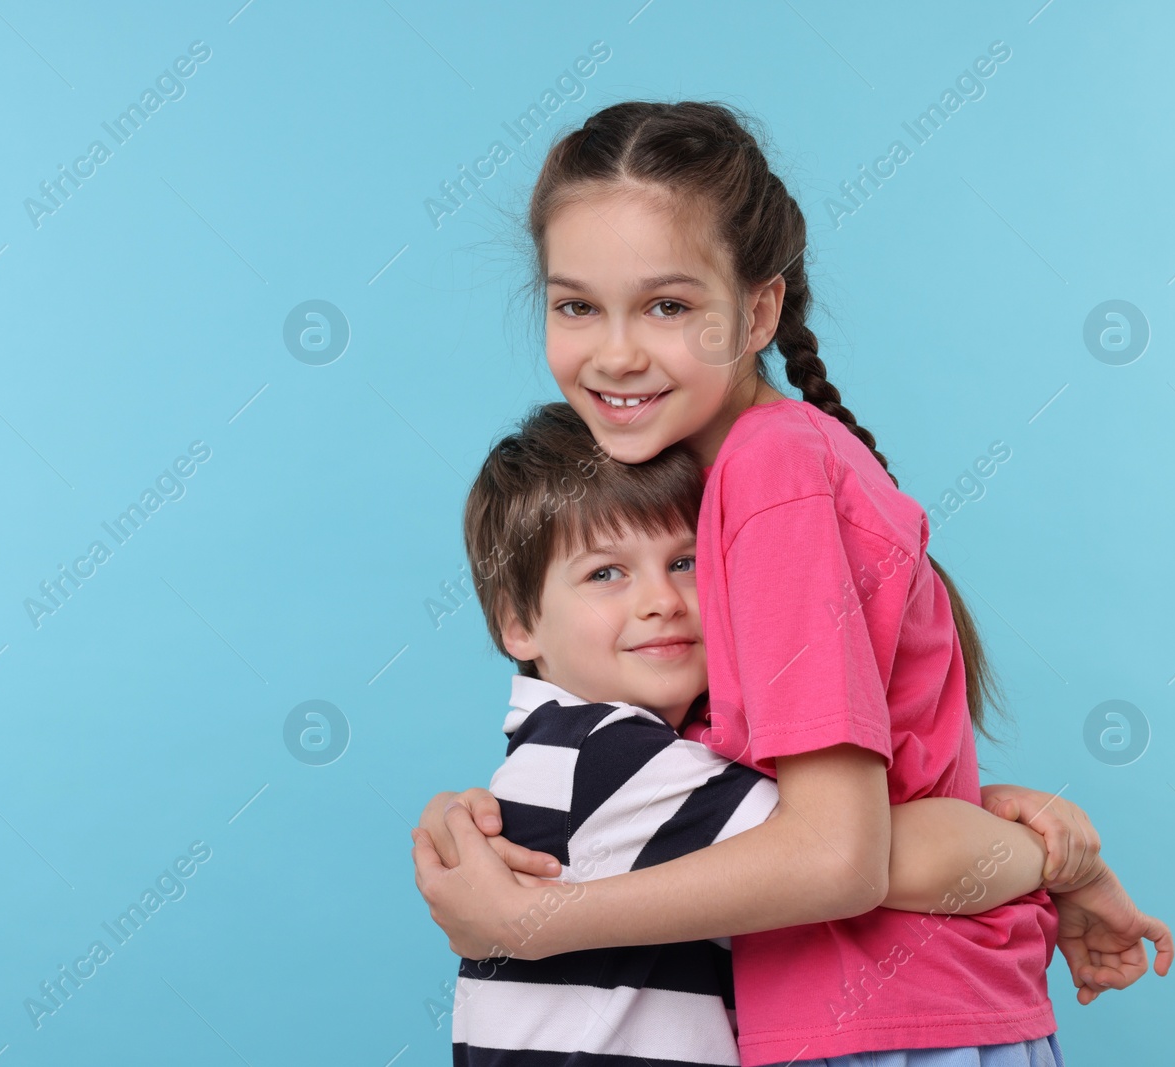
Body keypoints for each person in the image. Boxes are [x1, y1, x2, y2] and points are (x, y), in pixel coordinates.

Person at [413, 101, 1173, 1066]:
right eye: (576, 306)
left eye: (668, 305)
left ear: (759, 310)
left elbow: (834, 854)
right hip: (908, 1011)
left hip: (875, 1023)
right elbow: (809, 794)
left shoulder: (769, 475)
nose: (614, 352)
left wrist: (537, 920)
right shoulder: (754, 468)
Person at [429, 401, 1132, 1067]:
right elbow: (853, 851)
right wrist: (1050, 855)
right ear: (517, 623)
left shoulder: (573, 750)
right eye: (606, 572)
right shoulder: (607, 757)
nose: (661, 601)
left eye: (685, 562)